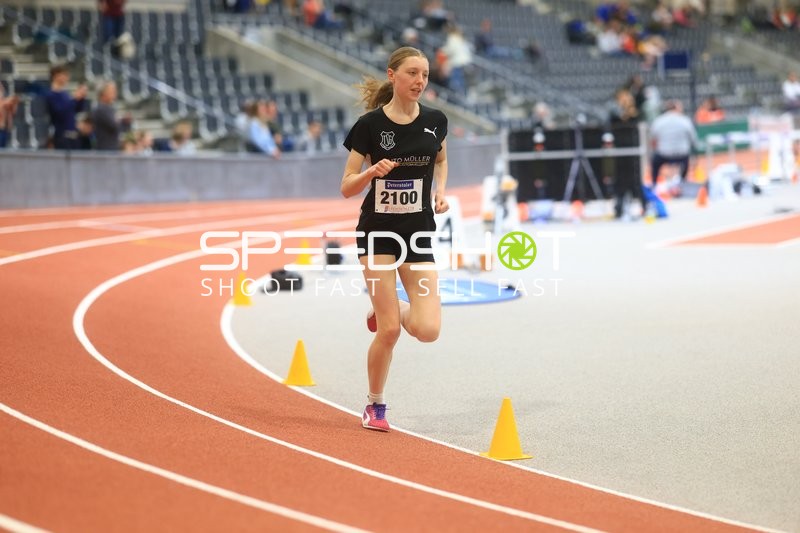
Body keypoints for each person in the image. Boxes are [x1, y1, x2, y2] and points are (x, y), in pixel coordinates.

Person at [340, 46, 449, 432]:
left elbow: (440, 159)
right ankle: (375, 405)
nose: (420, 81)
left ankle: (384, 308)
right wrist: (371, 174)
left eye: (425, 74)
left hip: (417, 234)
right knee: (388, 332)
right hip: (378, 235)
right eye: (413, 73)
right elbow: (346, 187)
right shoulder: (369, 126)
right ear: (393, 76)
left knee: (428, 330)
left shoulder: (436, 121)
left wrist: (440, 192)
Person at [649, 99, 697, 188]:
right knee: (686, 159)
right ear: (676, 108)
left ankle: (654, 183)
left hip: (663, 154)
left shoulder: (659, 121)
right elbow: (693, 139)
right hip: (682, 155)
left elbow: (652, 138)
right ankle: (683, 181)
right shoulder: (685, 120)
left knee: (654, 162)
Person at [45, 65, 88, 150]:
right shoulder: (51, 95)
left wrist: (81, 98)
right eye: (64, 74)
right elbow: (60, 112)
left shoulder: (65, 94)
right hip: (62, 136)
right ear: (56, 76)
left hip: (73, 135)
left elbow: (76, 109)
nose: (67, 77)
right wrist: (75, 98)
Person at [0, 84, 19, 148]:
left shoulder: (5, 102)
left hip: (4, 129)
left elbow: (13, 112)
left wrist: (13, 103)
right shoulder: (3, 102)